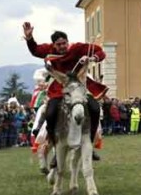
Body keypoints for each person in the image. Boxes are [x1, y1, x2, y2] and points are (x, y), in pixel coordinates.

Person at [23, 22, 107, 161]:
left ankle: (89, 145)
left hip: (79, 86)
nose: (62, 46)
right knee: (50, 113)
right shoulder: (49, 50)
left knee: (94, 108)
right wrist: (30, 38)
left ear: (68, 42)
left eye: (64, 43)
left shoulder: (78, 48)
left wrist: (91, 58)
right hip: (59, 88)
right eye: (59, 44)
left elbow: (100, 51)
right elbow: (35, 51)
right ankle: (55, 147)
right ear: (54, 45)